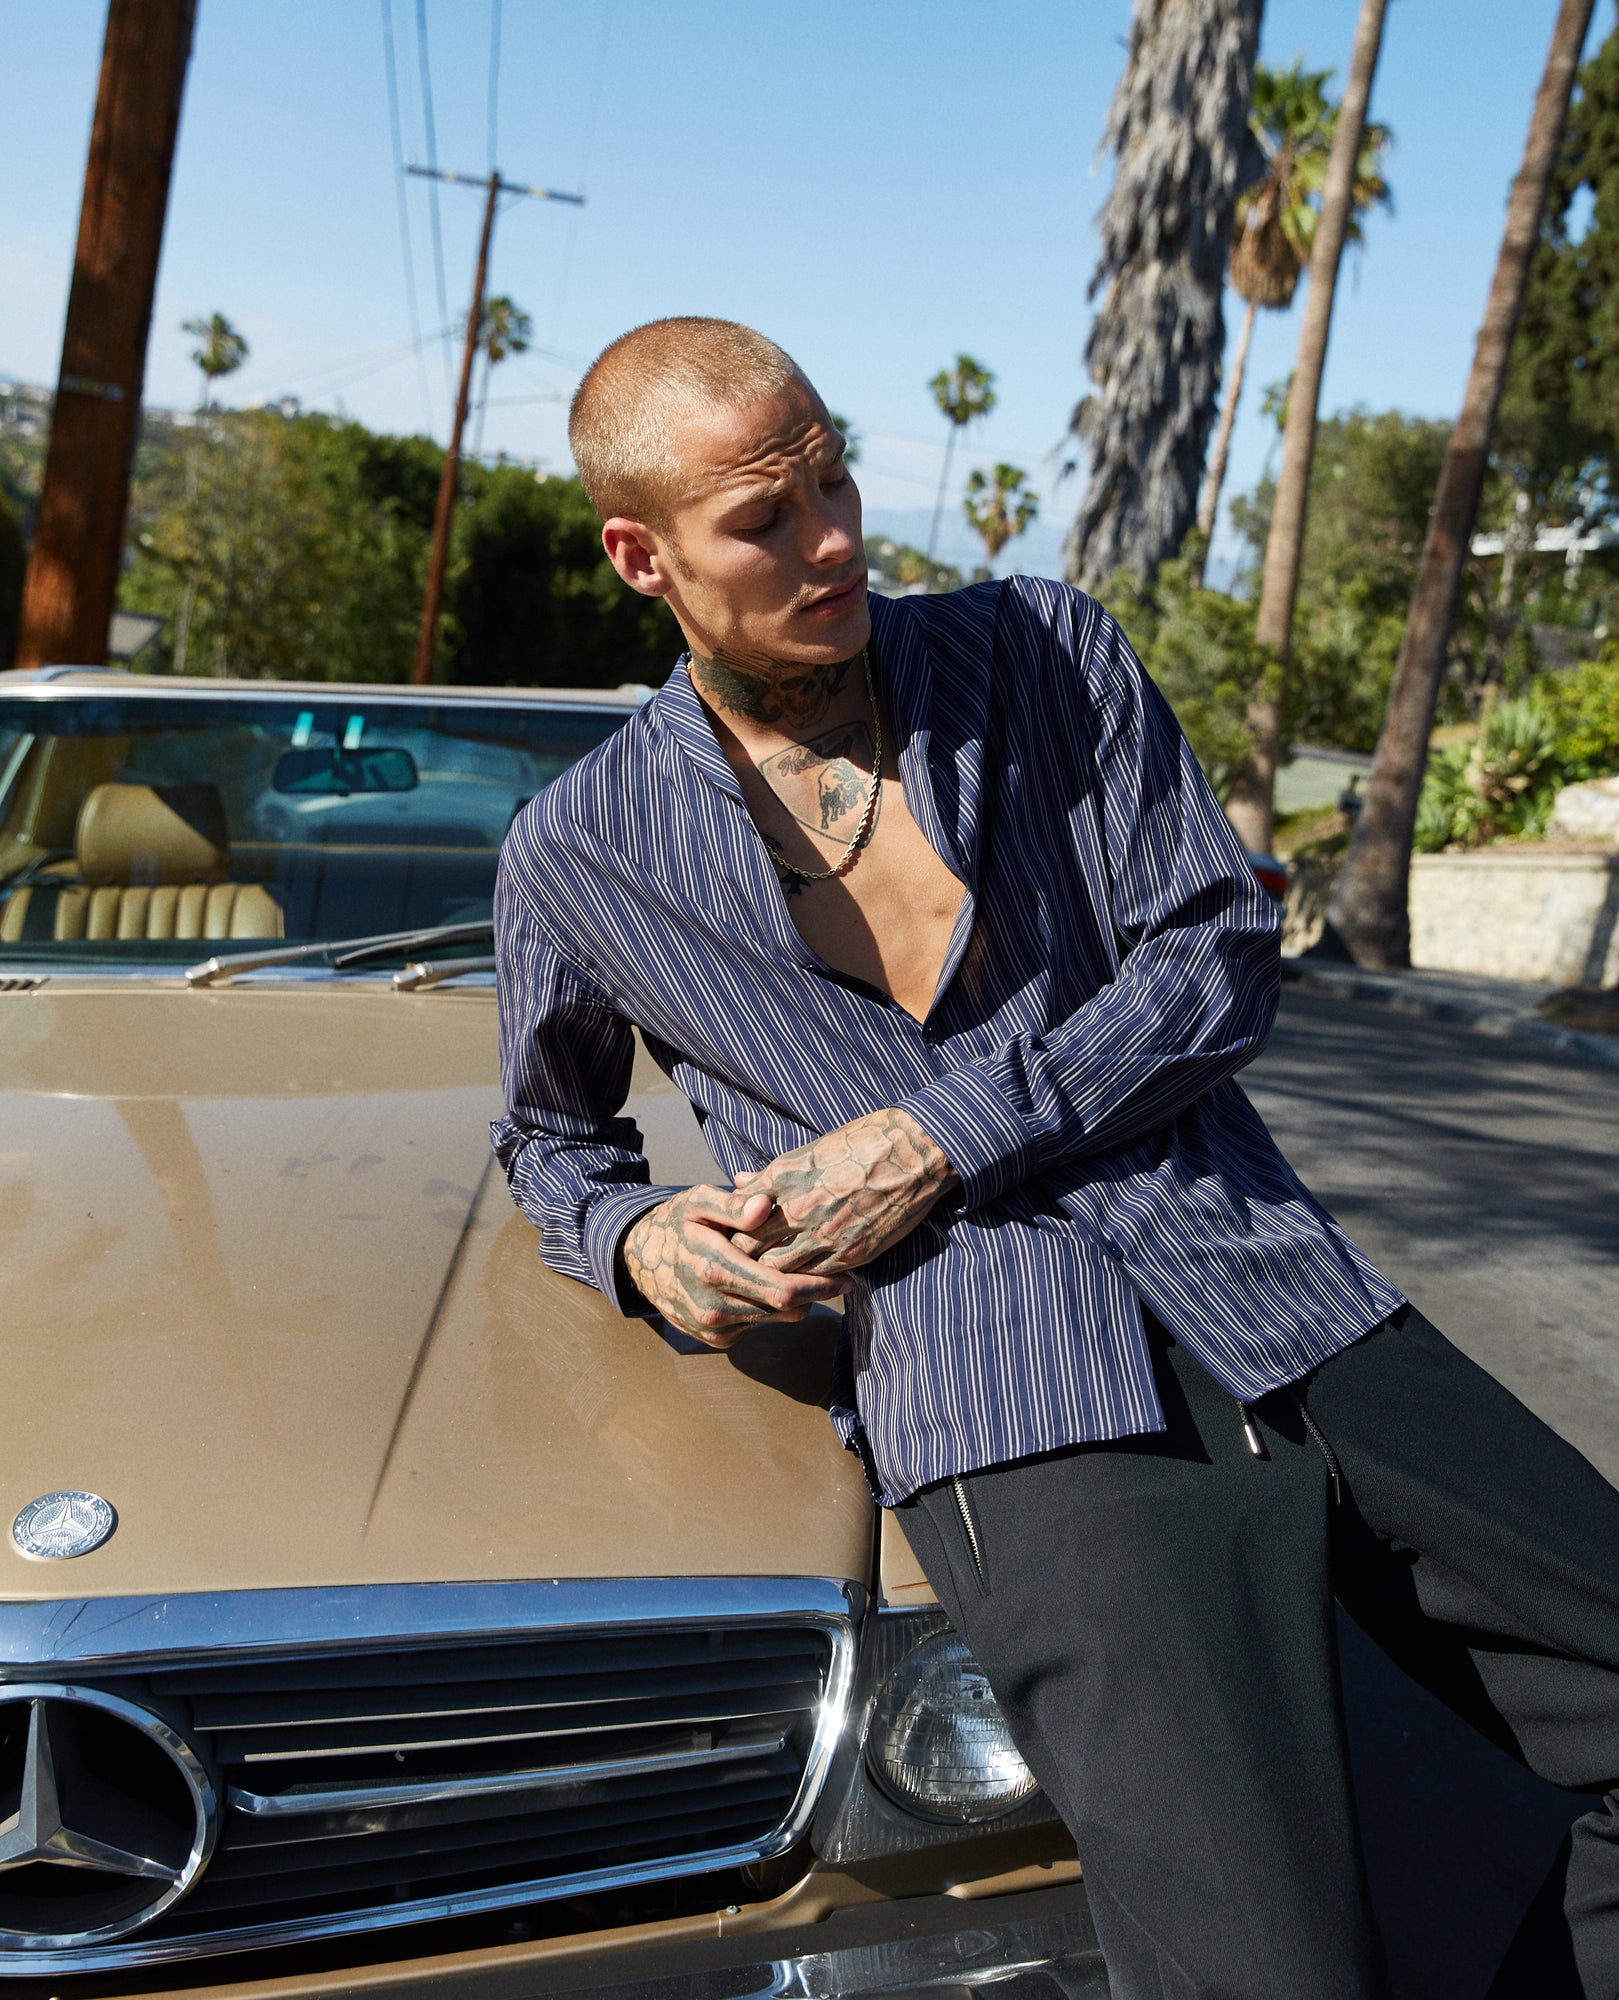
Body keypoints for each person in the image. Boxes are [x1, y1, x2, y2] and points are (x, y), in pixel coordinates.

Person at [491, 317, 1619, 1998]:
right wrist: (647, 1242)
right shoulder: (577, 849)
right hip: (1008, 1396)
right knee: (1263, 1955)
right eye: (767, 518)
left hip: (1275, 1292)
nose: (835, 536)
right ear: (642, 556)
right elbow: (549, 1144)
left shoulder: (1038, 651)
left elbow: (1218, 946)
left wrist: (944, 1134)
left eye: (835, 475)